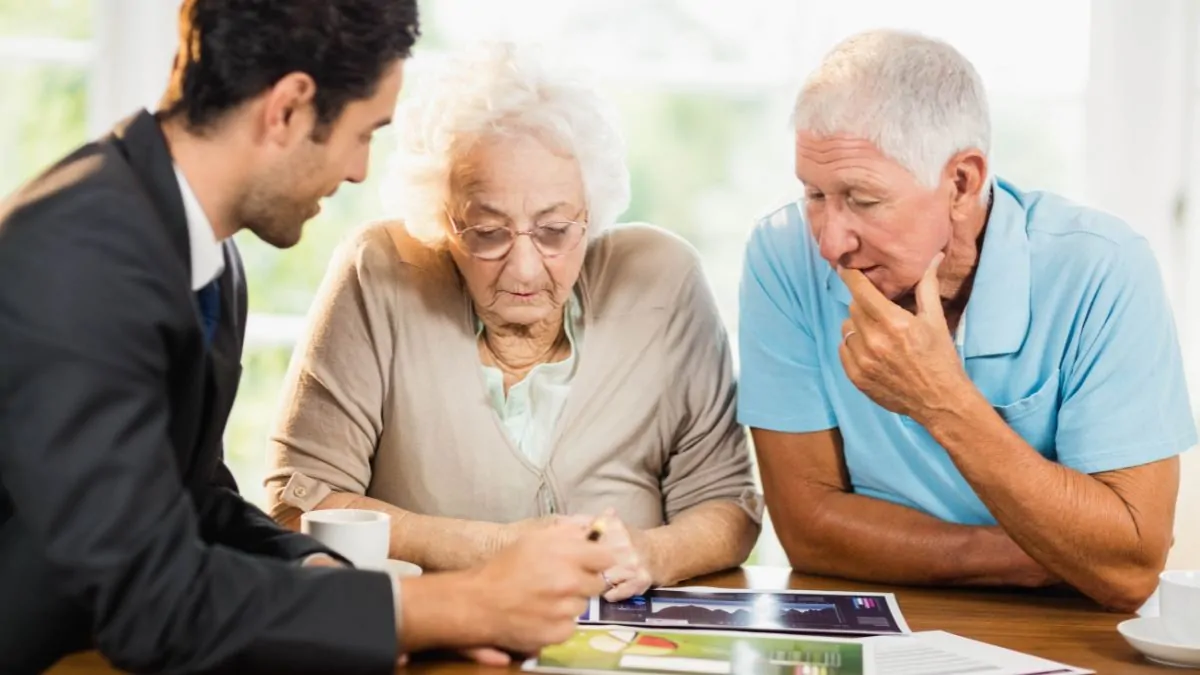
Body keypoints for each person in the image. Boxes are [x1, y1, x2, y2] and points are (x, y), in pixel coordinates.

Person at [0, 3, 613, 673]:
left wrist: (325, 570)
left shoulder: (205, 255)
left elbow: (192, 500)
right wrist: (454, 605)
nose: (357, 170)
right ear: (288, 108)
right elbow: (152, 599)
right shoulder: (78, 254)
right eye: (363, 133)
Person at [264, 43, 761, 601]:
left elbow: (730, 505)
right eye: (488, 232)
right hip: (440, 638)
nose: (524, 268)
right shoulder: (381, 271)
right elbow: (299, 503)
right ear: (443, 220)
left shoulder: (663, 281)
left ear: (592, 210)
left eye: (554, 231)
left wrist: (653, 553)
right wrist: (494, 549)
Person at [738, 29, 1194, 612]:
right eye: (814, 195)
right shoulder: (782, 254)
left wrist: (940, 401)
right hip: (871, 616)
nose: (830, 242)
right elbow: (807, 530)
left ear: (962, 182)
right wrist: (1044, 554)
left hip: (1063, 629)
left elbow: (1130, 568)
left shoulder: (1101, 267)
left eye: (863, 199)